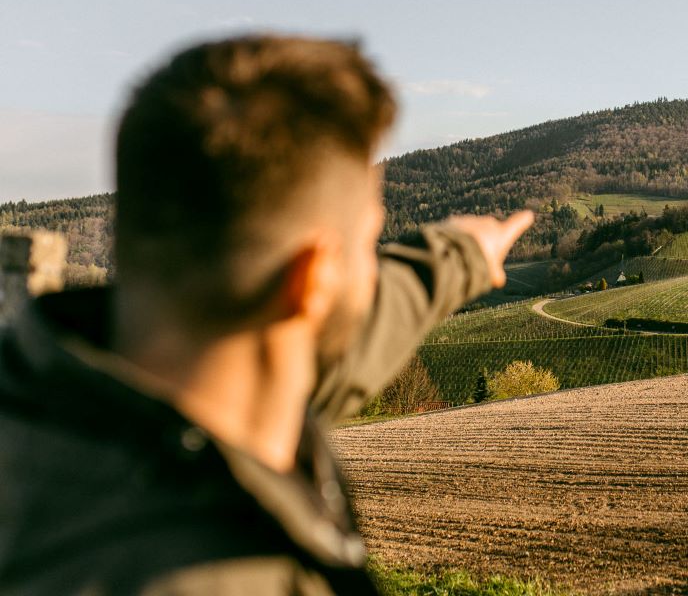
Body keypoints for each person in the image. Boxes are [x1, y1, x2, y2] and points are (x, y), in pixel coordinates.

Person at [0, 35, 533, 595]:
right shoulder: (223, 575)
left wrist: (461, 254)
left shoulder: (54, 401)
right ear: (315, 279)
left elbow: (351, 329)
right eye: (368, 242)